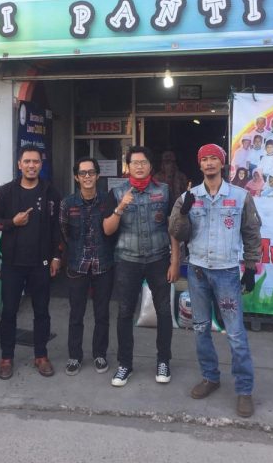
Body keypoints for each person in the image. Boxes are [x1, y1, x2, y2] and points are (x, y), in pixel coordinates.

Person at [169, 143, 262, 418]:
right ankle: (210, 377)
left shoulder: (240, 197)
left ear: (222, 164)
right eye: (204, 159)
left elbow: (252, 233)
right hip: (197, 271)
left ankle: (244, 390)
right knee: (200, 328)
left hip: (227, 273)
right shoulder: (188, 197)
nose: (209, 163)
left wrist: (250, 267)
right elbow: (177, 232)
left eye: (214, 159)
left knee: (235, 334)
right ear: (199, 165)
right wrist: (183, 213)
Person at [103, 146, 180, 387]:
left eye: (143, 162)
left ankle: (163, 361)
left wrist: (175, 260)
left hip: (159, 259)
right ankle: (124, 364)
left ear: (150, 166)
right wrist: (120, 207)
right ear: (128, 166)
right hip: (127, 260)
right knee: (125, 312)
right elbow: (107, 229)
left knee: (164, 311)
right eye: (134, 162)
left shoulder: (164, 191)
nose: (139, 166)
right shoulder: (117, 192)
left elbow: (174, 228)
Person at [0, 145, 62, 380]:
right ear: (19, 164)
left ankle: (41, 355)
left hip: (41, 263)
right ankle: (6, 357)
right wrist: (13, 222)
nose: (32, 165)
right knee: (9, 311)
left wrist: (56, 256)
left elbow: (57, 228)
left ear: (41, 165)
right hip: (12, 263)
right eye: (27, 161)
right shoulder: (6, 192)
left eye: (36, 162)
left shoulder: (51, 192)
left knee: (41, 311)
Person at [59, 157, 115, 376]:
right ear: (76, 177)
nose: (87, 176)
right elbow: (64, 232)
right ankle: (75, 356)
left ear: (98, 175)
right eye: (83, 173)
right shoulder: (68, 203)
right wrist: (74, 252)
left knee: (102, 313)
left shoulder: (107, 200)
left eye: (91, 172)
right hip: (77, 265)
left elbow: (113, 230)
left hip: (103, 264)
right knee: (76, 314)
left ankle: (100, 354)